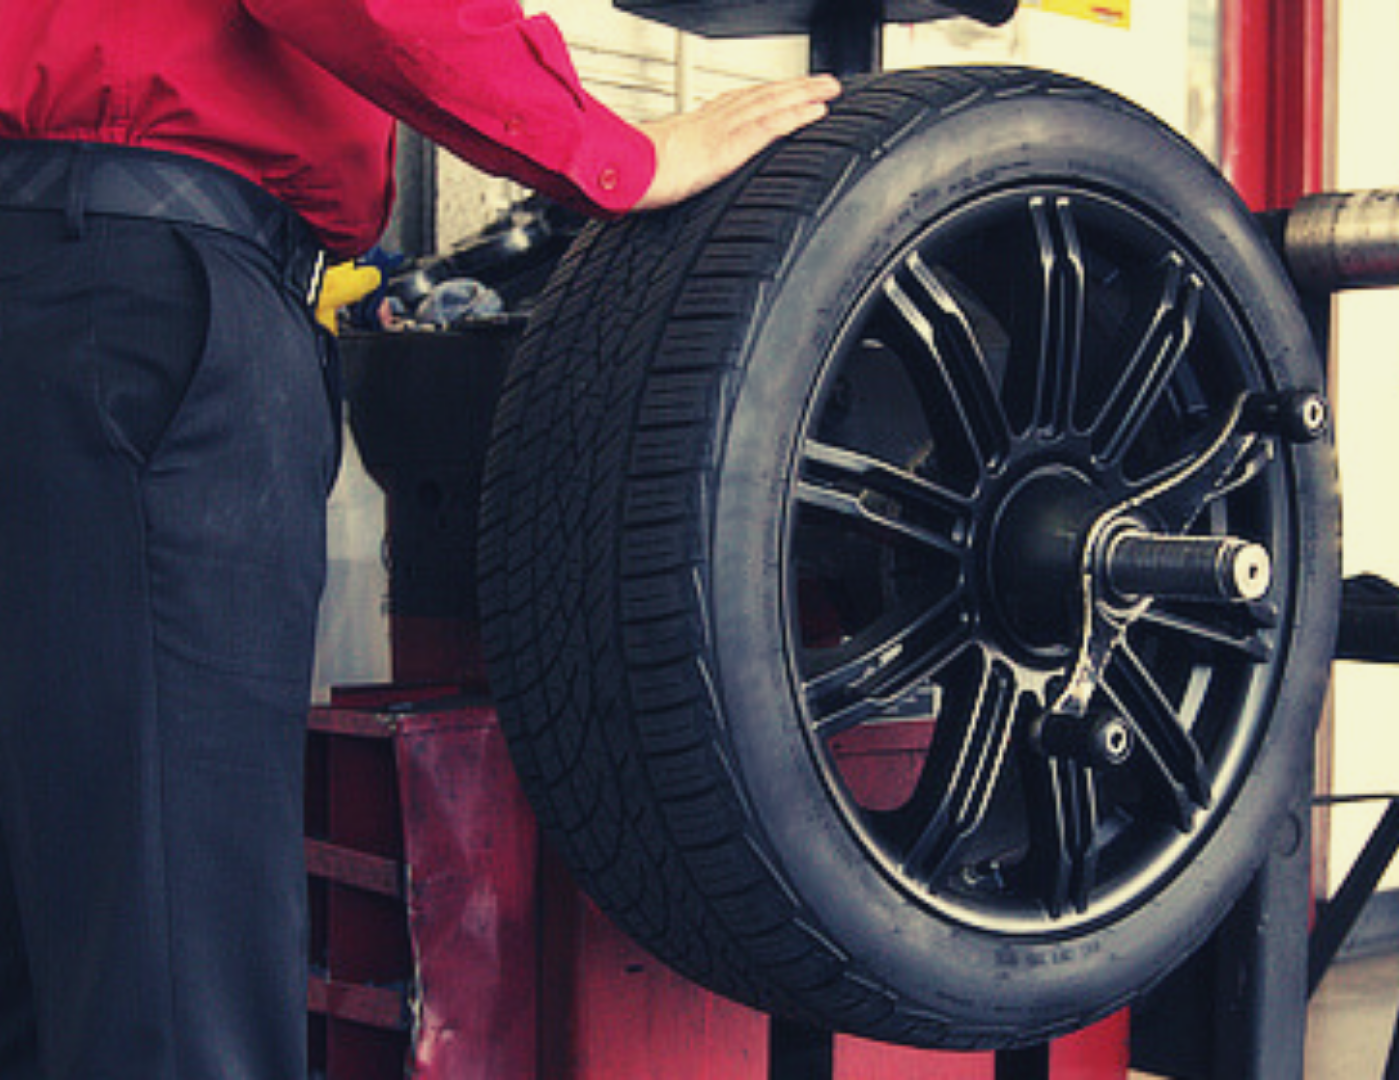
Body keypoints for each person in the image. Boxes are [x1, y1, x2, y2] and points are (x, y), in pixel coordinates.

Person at [0, 2, 839, 1076]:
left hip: (56, 282)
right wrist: (612, 150)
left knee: (55, 932)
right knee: (177, 945)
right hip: (144, 294)